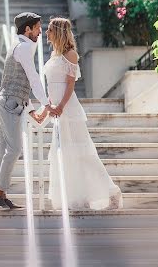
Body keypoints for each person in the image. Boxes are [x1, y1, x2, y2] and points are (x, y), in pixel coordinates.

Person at [38, 17, 123, 210]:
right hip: (57, 112)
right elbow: (51, 86)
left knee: (84, 154)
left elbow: (70, 85)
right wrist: (47, 109)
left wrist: (61, 106)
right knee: (64, 155)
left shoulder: (71, 54)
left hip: (69, 111)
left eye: (50, 29)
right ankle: (79, 197)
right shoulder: (53, 55)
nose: (47, 33)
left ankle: (112, 192)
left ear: (58, 31)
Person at [0, 12, 60, 211]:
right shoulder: (23, 48)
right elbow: (33, 78)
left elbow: (21, 82)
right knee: (13, 150)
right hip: (9, 104)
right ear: (27, 29)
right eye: (37, 28)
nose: (40, 31)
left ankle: (0, 196)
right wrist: (47, 104)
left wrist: (30, 110)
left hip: (11, 103)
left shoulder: (20, 47)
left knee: (4, 151)